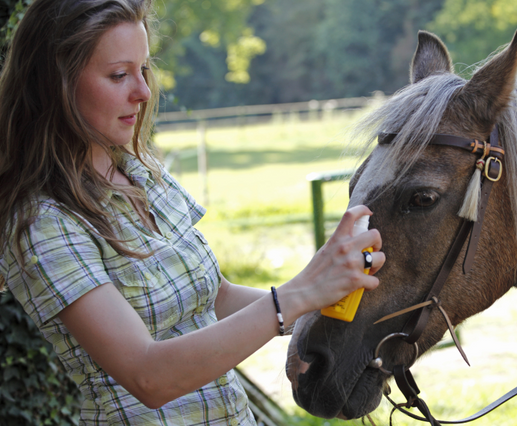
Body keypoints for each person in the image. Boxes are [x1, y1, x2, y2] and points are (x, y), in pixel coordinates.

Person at [0, 0, 385, 424]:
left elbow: (215, 298)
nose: (143, 91)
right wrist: (298, 295)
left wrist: (325, 310)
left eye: (144, 69)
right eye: (118, 74)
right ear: (55, 84)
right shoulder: (41, 223)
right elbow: (147, 375)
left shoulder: (143, 174)